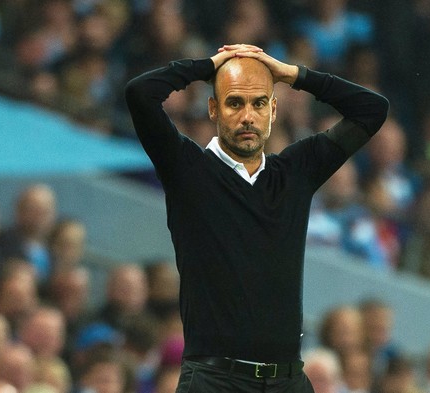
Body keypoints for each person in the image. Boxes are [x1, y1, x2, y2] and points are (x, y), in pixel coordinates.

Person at [125, 43, 388, 392]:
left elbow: (372, 109)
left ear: (273, 110)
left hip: (288, 380)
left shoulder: (295, 173)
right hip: (214, 380)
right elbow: (140, 94)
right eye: (235, 102)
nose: (248, 115)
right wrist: (207, 67)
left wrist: (293, 74)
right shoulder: (187, 170)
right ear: (213, 109)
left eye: (259, 103)